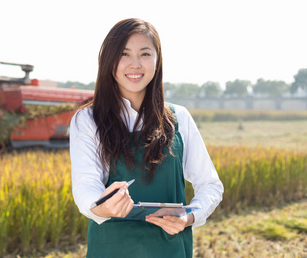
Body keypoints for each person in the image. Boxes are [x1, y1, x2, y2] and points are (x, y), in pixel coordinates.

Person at [70, 18, 224, 258]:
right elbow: (85, 187)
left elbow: (210, 185)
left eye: (145, 54)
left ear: (157, 61)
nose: (135, 64)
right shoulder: (87, 120)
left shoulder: (178, 117)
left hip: (169, 247)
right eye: (124, 54)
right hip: (111, 248)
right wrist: (101, 207)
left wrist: (189, 217)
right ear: (109, 61)